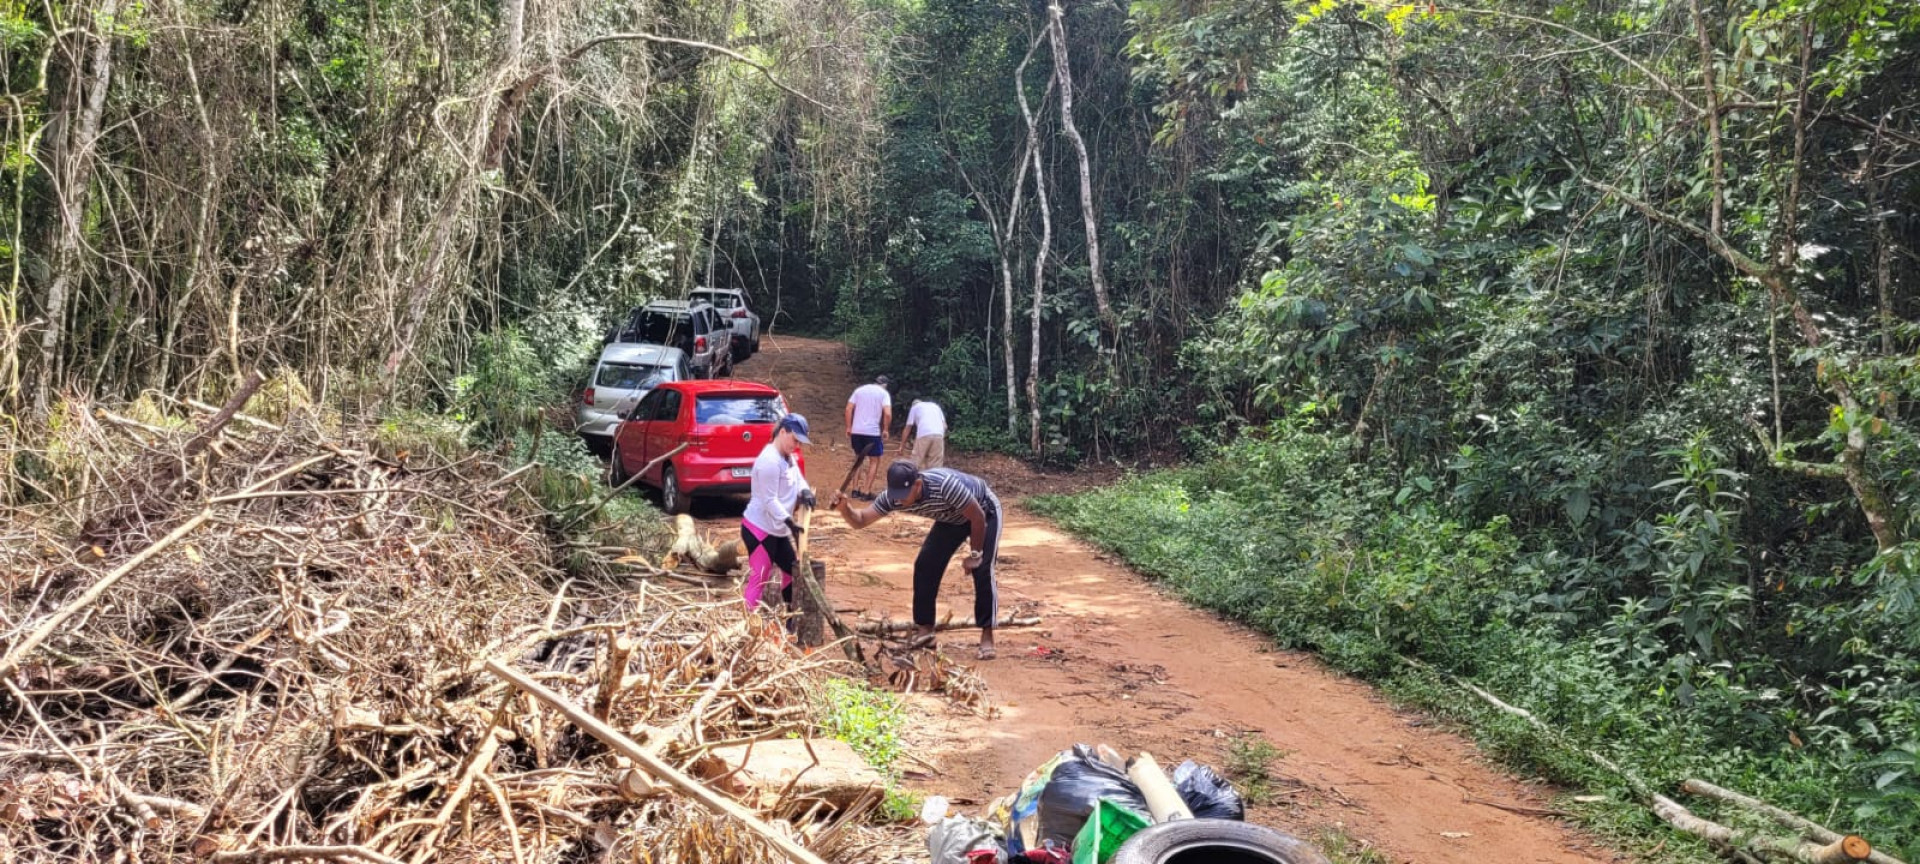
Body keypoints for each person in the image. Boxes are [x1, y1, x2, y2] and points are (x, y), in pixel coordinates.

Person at [834, 460, 1003, 659]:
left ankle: (987, 634)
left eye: (904, 495)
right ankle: (925, 630)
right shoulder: (892, 498)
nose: (900, 500)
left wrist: (975, 555)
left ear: (918, 484)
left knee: (982, 569)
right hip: (951, 518)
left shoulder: (945, 486)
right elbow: (861, 520)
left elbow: (978, 518)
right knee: (925, 565)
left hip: (984, 512)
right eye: (896, 495)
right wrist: (845, 509)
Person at [741, 414, 815, 618]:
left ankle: (790, 619)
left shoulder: (787, 457)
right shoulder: (769, 461)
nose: (796, 445)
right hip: (759, 529)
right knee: (760, 577)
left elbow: (798, 479)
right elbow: (769, 500)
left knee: (791, 571)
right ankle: (747, 623)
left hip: (778, 530)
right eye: (794, 439)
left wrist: (805, 491)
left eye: (799, 442)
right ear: (782, 432)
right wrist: (789, 521)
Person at [844, 374, 892, 497]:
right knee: (874, 461)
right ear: (885, 385)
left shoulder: (859, 390)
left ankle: (855, 490)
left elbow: (848, 409)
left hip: (857, 430)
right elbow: (887, 414)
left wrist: (849, 427)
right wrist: (885, 429)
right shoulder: (884, 394)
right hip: (872, 432)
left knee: (858, 459)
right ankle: (866, 491)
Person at [900, 399, 948, 470]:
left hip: (924, 433)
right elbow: (945, 426)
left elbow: (908, 428)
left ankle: (914, 476)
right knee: (935, 465)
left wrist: (901, 446)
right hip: (939, 434)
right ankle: (932, 476)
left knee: (916, 461)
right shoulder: (936, 406)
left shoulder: (915, 407)